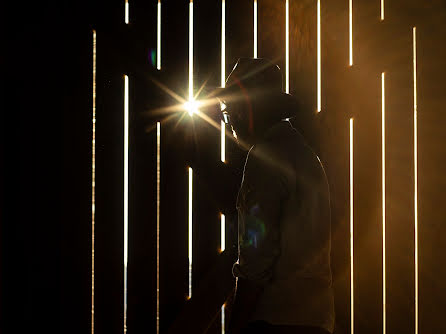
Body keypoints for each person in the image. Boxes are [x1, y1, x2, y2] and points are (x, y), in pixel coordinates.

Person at [215, 58, 335, 334]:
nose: (229, 120)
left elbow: (256, 262)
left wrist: (236, 326)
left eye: (230, 110)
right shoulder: (303, 155)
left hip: (275, 321)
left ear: (247, 110)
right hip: (315, 320)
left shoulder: (265, 158)